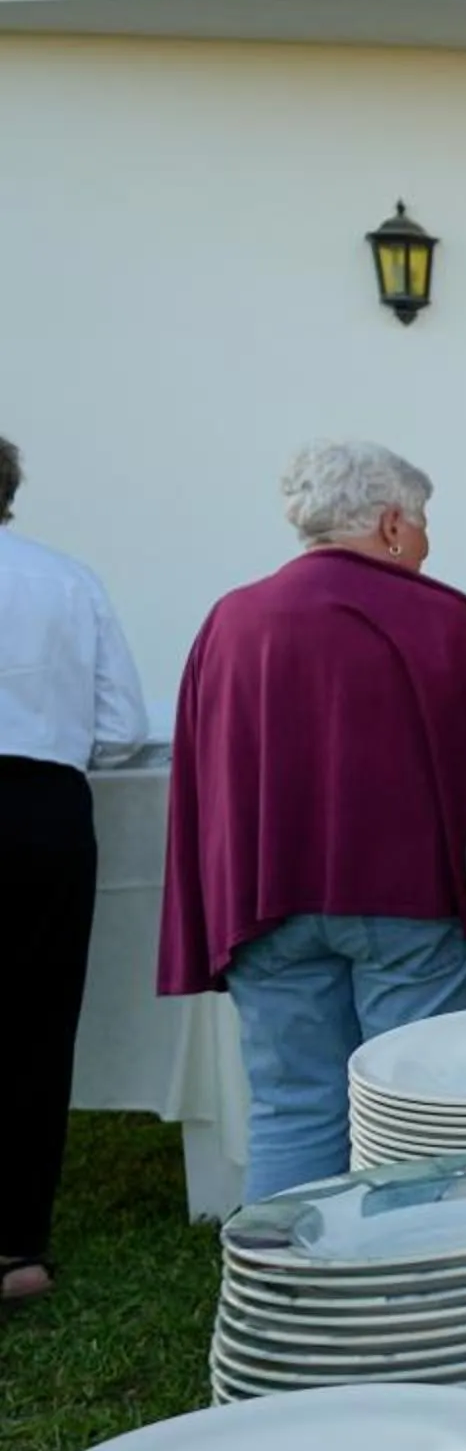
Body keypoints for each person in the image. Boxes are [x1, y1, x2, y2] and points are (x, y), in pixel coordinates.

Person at [160, 443, 466, 1201]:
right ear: (391, 524)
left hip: (264, 903)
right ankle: (411, 1269)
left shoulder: (230, 621)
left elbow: (201, 772)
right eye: (422, 522)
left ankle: (290, 1273)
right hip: (413, 907)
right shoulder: (447, 620)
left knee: (291, 1105)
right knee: (415, 1107)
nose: (426, 541)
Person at [0, 434, 147, 1306]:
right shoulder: (65, 580)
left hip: (44, 799)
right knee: (35, 1019)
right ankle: (17, 1244)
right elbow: (122, 726)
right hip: (42, 809)